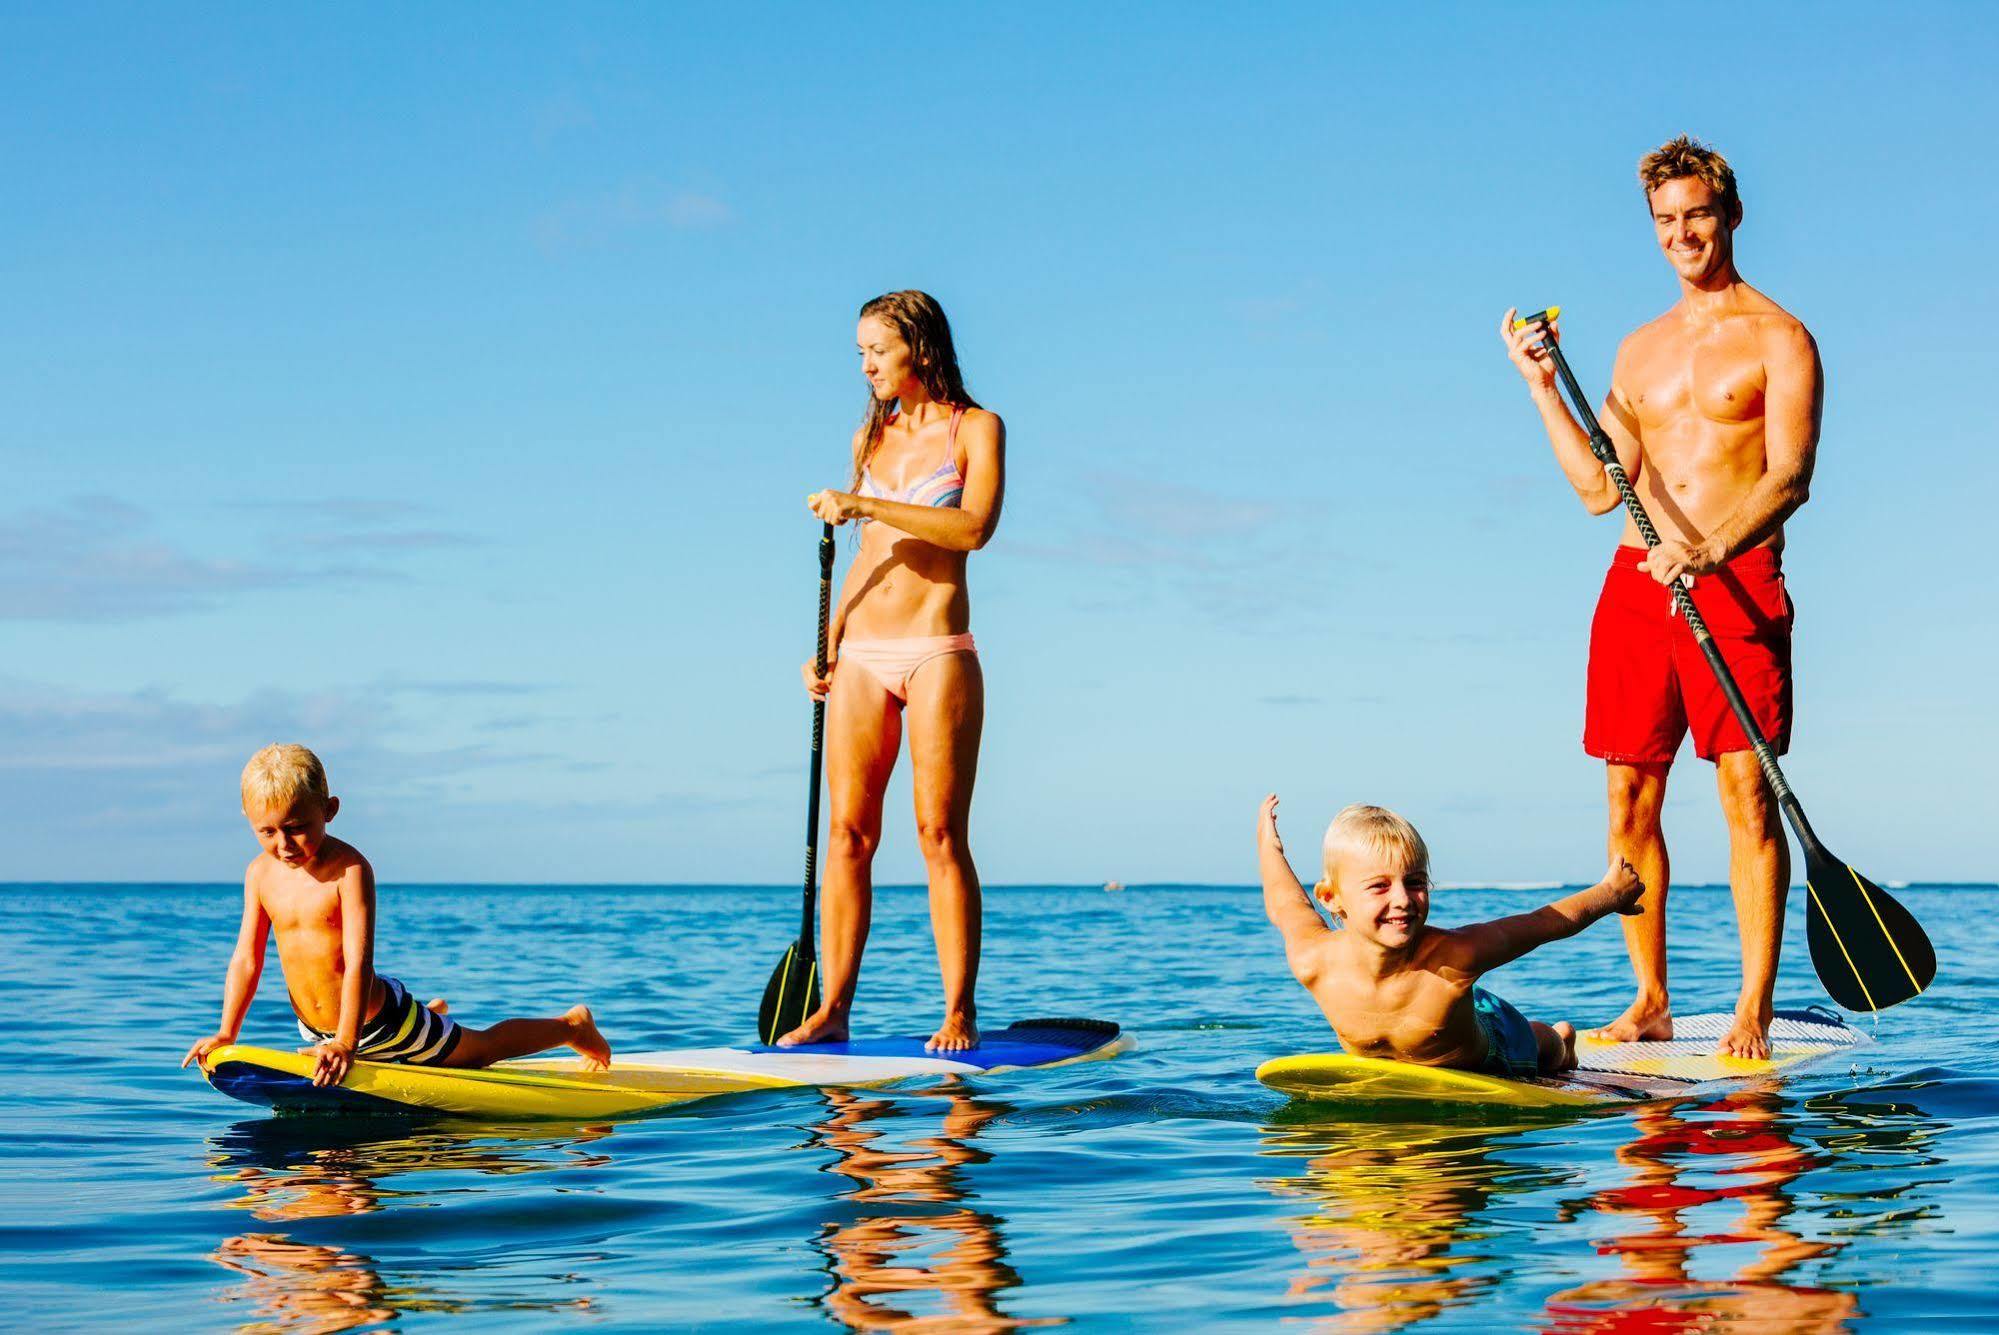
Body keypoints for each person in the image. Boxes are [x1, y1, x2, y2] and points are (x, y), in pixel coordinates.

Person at [1499, 134, 1823, 1059]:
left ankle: (1751, 1007)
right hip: (1639, 587)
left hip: (1737, 582)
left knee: (1744, 797)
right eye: (1665, 220)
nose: (1682, 233)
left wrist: (1713, 548)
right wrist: (1538, 390)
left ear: (1730, 215)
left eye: (1696, 214)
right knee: (1627, 800)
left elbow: (1791, 475)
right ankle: (1649, 1000)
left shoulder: (1779, 337)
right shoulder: (1638, 350)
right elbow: (1600, 488)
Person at [781, 290, 1005, 1052]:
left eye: (877, 349)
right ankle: (833, 1007)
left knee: (939, 833)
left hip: (938, 650)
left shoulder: (975, 428)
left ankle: (957, 1011)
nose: (867, 365)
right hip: (862, 656)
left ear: (918, 345)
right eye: (860, 354)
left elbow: (973, 527)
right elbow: (865, 560)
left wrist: (866, 506)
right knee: (847, 835)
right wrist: (829, 638)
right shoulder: (866, 439)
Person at [181, 744, 611, 1087]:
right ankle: (435, 1015)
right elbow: (247, 959)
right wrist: (226, 1032)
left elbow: (357, 964)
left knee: (480, 1052)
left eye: (296, 827)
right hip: (316, 1032)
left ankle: (572, 1026)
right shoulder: (259, 874)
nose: (284, 843)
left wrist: (348, 1042)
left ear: (328, 810)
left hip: (381, 1024)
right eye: (267, 831)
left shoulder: (349, 871)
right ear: (249, 821)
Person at [1257, 795, 1643, 1076]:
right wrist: (1269, 847)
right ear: (1330, 897)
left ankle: (1562, 1041)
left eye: (1415, 882)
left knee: (1540, 1046)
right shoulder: (1316, 961)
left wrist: (1609, 894)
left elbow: (1541, 923)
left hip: (1492, 1049)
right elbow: (1286, 905)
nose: (1402, 900)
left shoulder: (1457, 954)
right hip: (1450, 1016)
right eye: (1379, 886)